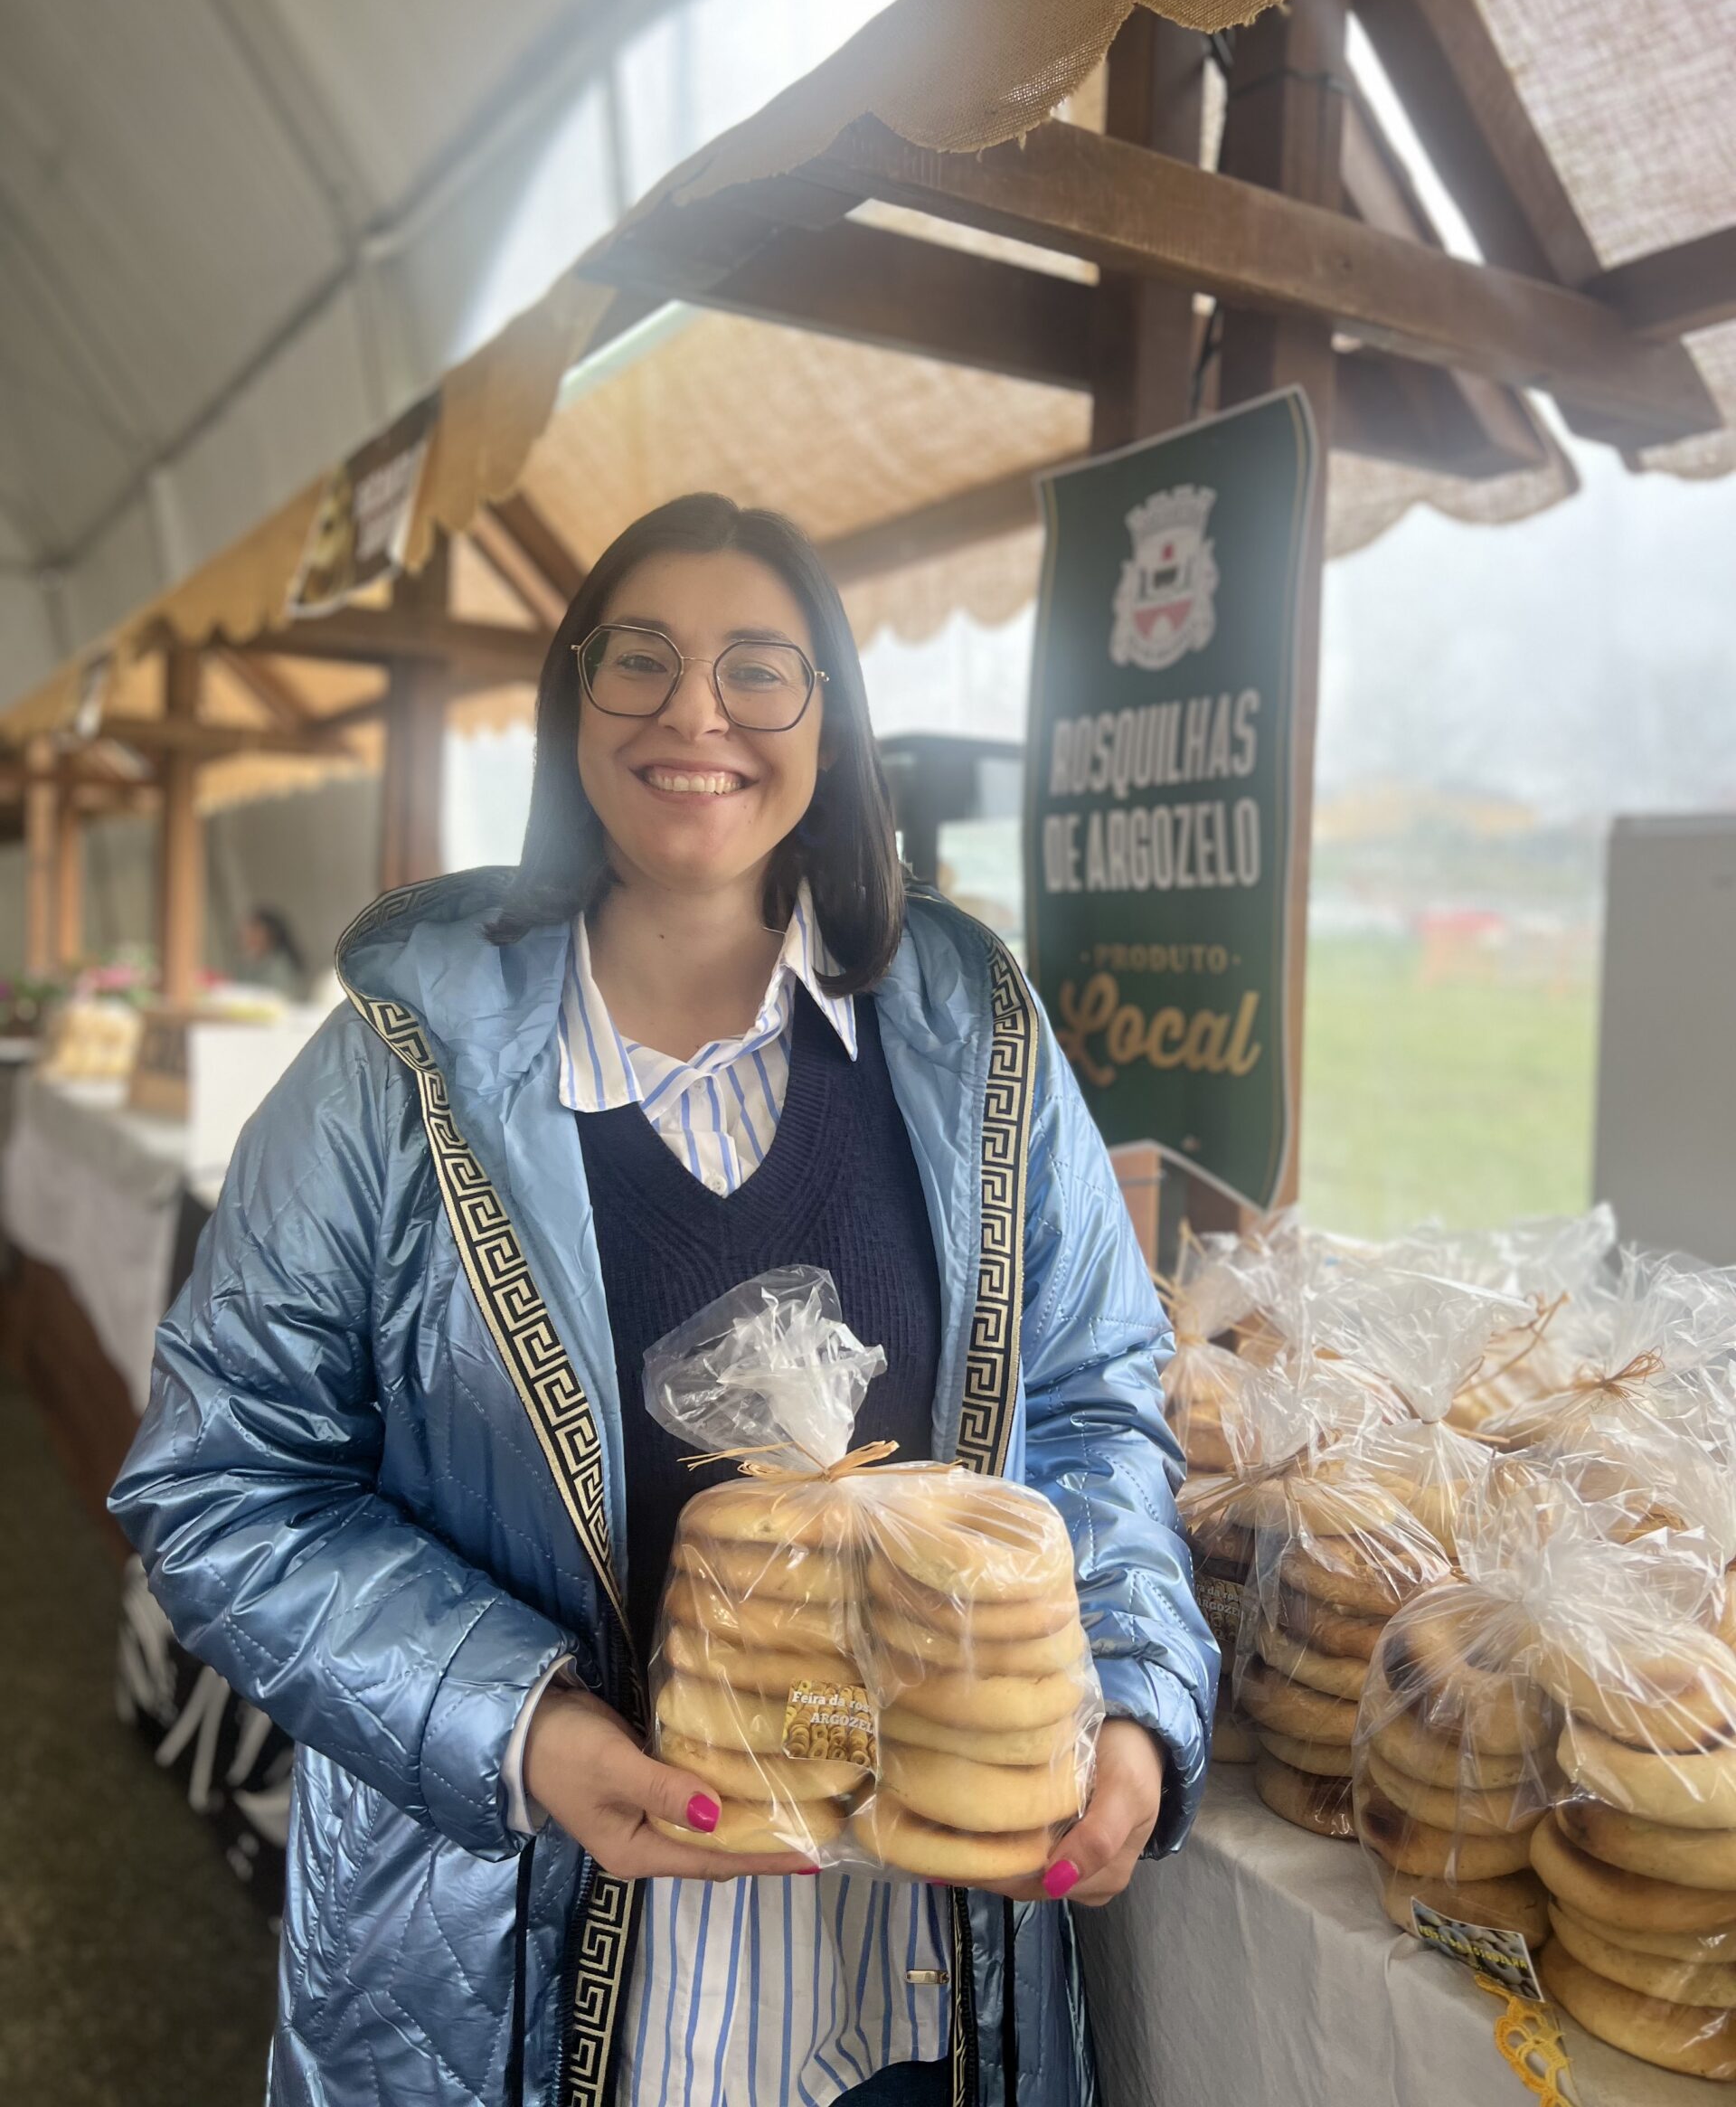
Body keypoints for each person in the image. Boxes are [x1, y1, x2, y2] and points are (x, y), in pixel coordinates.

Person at [111, 493, 1215, 2107]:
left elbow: (1101, 1400)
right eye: (642, 661)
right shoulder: (390, 1073)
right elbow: (218, 1486)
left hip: (913, 1981)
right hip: (509, 1975)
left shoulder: (973, 1030)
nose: (697, 713)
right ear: (572, 707)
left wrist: (1126, 1694)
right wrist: (522, 1727)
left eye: (761, 669)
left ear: (827, 724)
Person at [234, 905, 310, 1000]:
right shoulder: (248, 964)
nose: (246, 936)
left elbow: (282, 1000)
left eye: (254, 931)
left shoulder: (281, 966)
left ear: (269, 934)